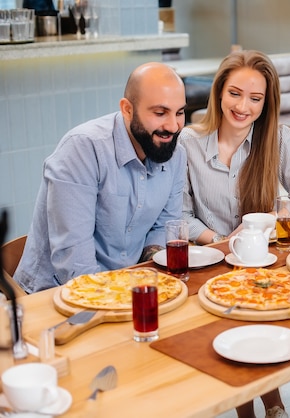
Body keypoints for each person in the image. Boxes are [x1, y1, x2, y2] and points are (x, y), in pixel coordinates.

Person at [179, 50, 290, 418]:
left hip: (265, 262)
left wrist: (271, 219)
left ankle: (270, 405)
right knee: (228, 319)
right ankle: (268, 407)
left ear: (266, 102)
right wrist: (219, 241)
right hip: (210, 261)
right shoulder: (187, 143)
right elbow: (178, 216)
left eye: (255, 98)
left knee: (251, 315)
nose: (243, 106)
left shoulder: (280, 139)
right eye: (235, 93)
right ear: (219, 93)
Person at [14, 62, 187, 293]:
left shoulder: (175, 153)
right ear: (127, 109)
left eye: (180, 112)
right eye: (160, 113)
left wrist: (153, 274)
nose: (173, 126)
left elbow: (163, 227)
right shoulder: (82, 149)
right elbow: (75, 264)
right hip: (53, 294)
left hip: (131, 287)